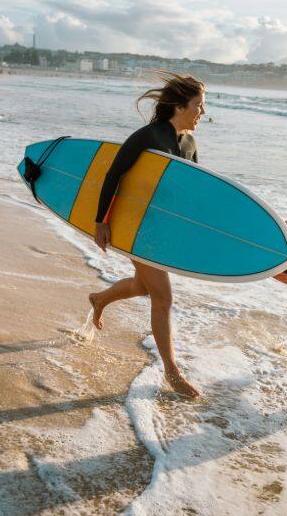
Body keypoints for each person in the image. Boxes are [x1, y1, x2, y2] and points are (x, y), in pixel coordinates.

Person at [88, 72, 205, 397]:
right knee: (163, 296)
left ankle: (100, 299)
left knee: (144, 285)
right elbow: (115, 173)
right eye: (198, 105)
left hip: (162, 231)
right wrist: (102, 221)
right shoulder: (148, 136)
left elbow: (194, 192)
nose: (202, 113)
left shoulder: (190, 144)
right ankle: (172, 372)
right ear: (179, 105)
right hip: (136, 227)